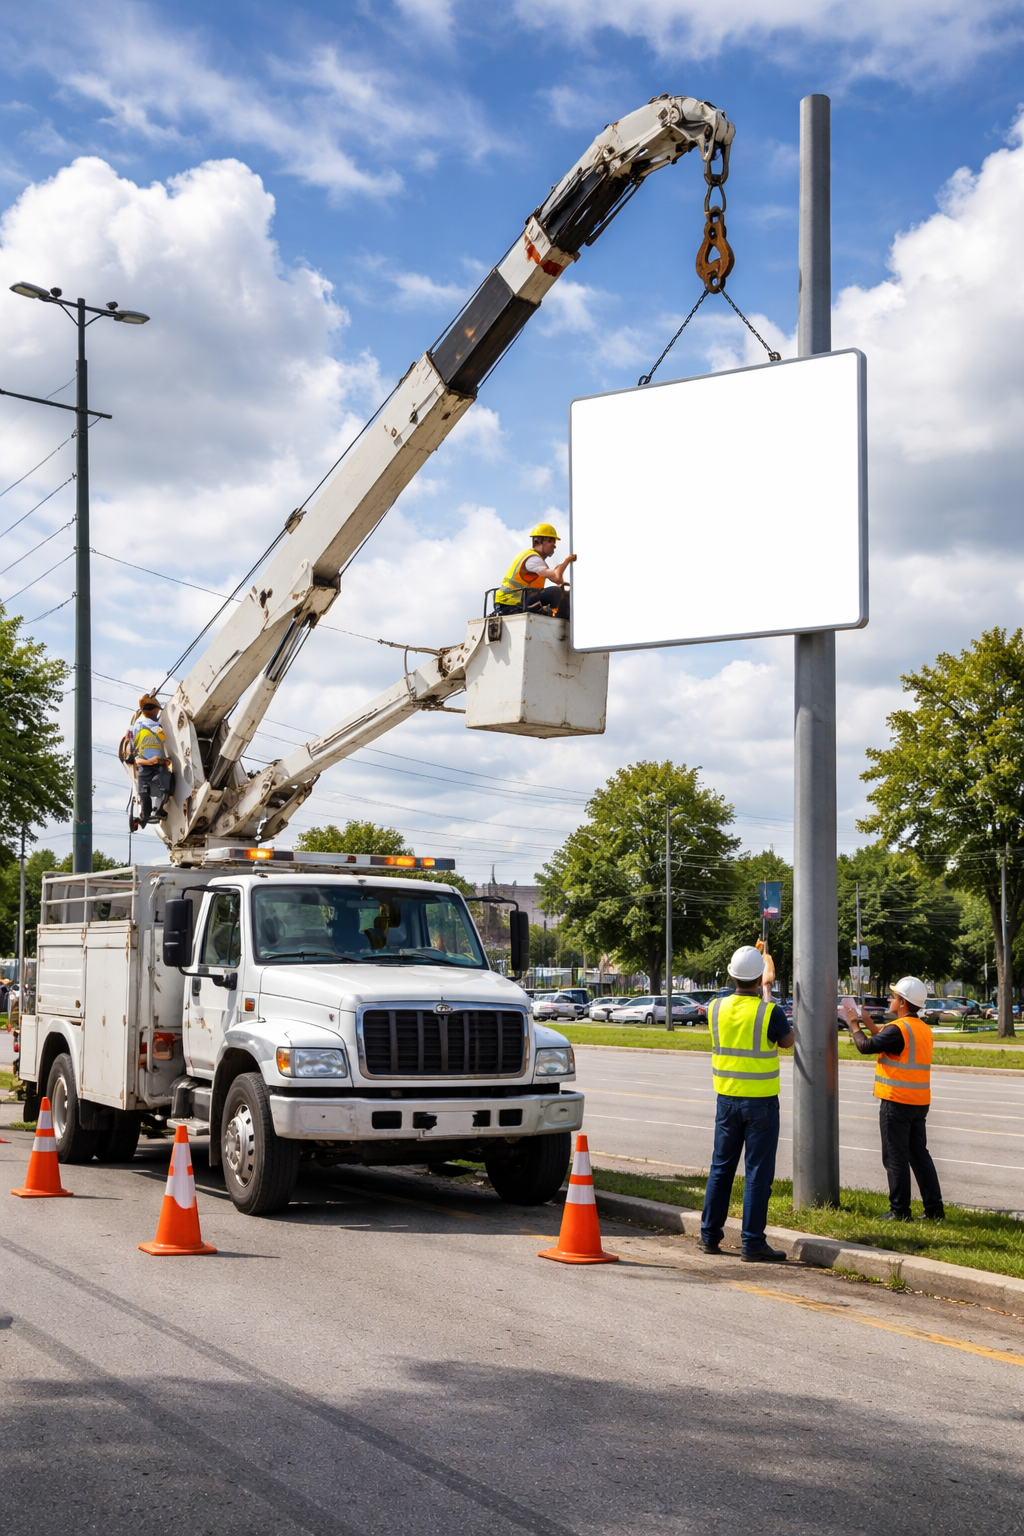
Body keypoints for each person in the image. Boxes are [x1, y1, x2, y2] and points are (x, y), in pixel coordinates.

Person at [700, 945, 795, 1261]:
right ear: (760, 977)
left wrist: (762, 986)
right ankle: (752, 1243)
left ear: (730, 974)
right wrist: (768, 988)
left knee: (720, 1169)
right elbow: (786, 1040)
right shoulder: (771, 1012)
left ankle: (709, 1237)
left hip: (726, 1101)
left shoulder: (715, 1008)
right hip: (762, 1105)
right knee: (757, 1173)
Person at [840, 977, 944, 1222]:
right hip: (918, 1102)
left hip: (896, 1102)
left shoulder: (898, 1030)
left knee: (895, 1156)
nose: (890, 999)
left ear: (903, 1003)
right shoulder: (919, 1029)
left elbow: (866, 1046)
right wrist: (867, 1021)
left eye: (894, 996)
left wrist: (853, 1025)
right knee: (919, 1156)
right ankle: (934, 1210)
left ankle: (899, 1211)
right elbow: (889, 1044)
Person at [494, 522, 576, 620]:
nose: (554, 545)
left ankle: (541, 609)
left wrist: (561, 566)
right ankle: (550, 614)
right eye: (551, 541)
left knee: (560, 592)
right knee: (555, 591)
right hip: (514, 601)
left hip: (516, 599)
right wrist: (567, 561)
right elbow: (557, 577)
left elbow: (558, 579)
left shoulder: (534, 559)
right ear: (539, 542)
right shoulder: (533, 559)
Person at [131, 694, 172, 828]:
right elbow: (164, 738)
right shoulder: (154, 725)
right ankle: (151, 813)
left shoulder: (138, 724)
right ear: (152, 710)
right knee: (160, 786)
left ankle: (148, 815)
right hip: (153, 762)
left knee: (145, 791)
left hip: (148, 762)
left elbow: (133, 746)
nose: (157, 713)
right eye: (157, 711)